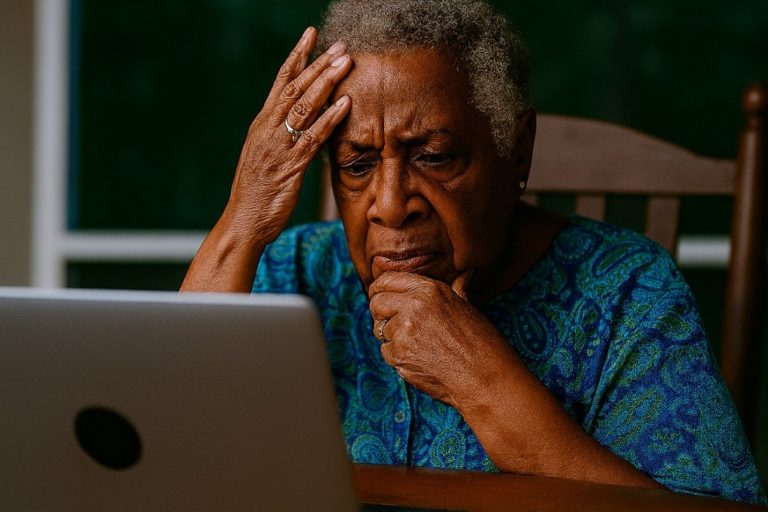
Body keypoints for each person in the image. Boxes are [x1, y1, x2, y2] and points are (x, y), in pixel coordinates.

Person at [182, 0, 766, 503]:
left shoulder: (629, 291)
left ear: (517, 150)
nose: (389, 205)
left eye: (434, 157)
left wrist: (482, 381)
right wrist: (244, 216)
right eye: (357, 166)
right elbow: (167, 453)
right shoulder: (295, 273)